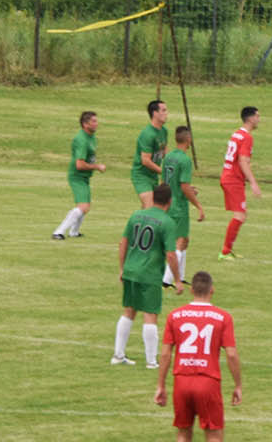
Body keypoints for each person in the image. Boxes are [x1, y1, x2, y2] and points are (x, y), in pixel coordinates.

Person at [154, 271, 241, 442]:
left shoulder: (175, 315)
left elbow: (165, 353)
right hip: (207, 381)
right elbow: (231, 354)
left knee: (183, 434)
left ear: (192, 290)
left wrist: (160, 385)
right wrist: (238, 385)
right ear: (212, 290)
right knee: (214, 435)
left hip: (182, 380)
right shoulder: (223, 317)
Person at [114, 184, 183, 369]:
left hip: (130, 269)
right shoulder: (167, 222)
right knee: (150, 314)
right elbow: (171, 255)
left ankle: (118, 355)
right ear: (169, 201)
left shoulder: (136, 215)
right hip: (149, 274)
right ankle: (151, 361)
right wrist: (177, 279)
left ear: (153, 198)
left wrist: (122, 268)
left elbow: (123, 243)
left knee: (129, 311)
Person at [158, 126, 204, 286]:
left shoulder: (168, 157)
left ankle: (181, 276)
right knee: (179, 241)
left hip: (168, 201)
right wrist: (198, 205)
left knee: (185, 240)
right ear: (188, 139)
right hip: (179, 205)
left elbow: (165, 181)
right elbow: (184, 186)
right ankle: (166, 279)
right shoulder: (185, 160)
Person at [218, 107, 263, 260]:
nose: (259, 119)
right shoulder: (247, 137)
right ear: (250, 118)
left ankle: (227, 250)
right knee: (240, 215)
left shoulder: (237, 134)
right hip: (233, 179)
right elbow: (243, 161)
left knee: (241, 214)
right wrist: (253, 183)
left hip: (228, 176)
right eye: (257, 116)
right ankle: (225, 252)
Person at [54, 111, 106, 240]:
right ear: (85, 124)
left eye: (96, 121)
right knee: (84, 206)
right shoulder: (81, 140)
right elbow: (79, 165)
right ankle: (59, 231)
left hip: (85, 177)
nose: (96, 123)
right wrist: (97, 167)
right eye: (93, 121)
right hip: (77, 177)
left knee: (85, 205)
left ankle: (74, 232)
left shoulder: (91, 137)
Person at [131, 99, 169, 207]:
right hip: (142, 176)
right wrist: (163, 172)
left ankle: (138, 219)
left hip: (153, 176)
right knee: (150, 207)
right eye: (163, 110)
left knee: (152, 208)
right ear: (155, 113)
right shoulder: (147, 134)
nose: (167, 113)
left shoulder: (163, 131)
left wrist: (173, 167)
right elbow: (145, 161)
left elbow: (165, 153)